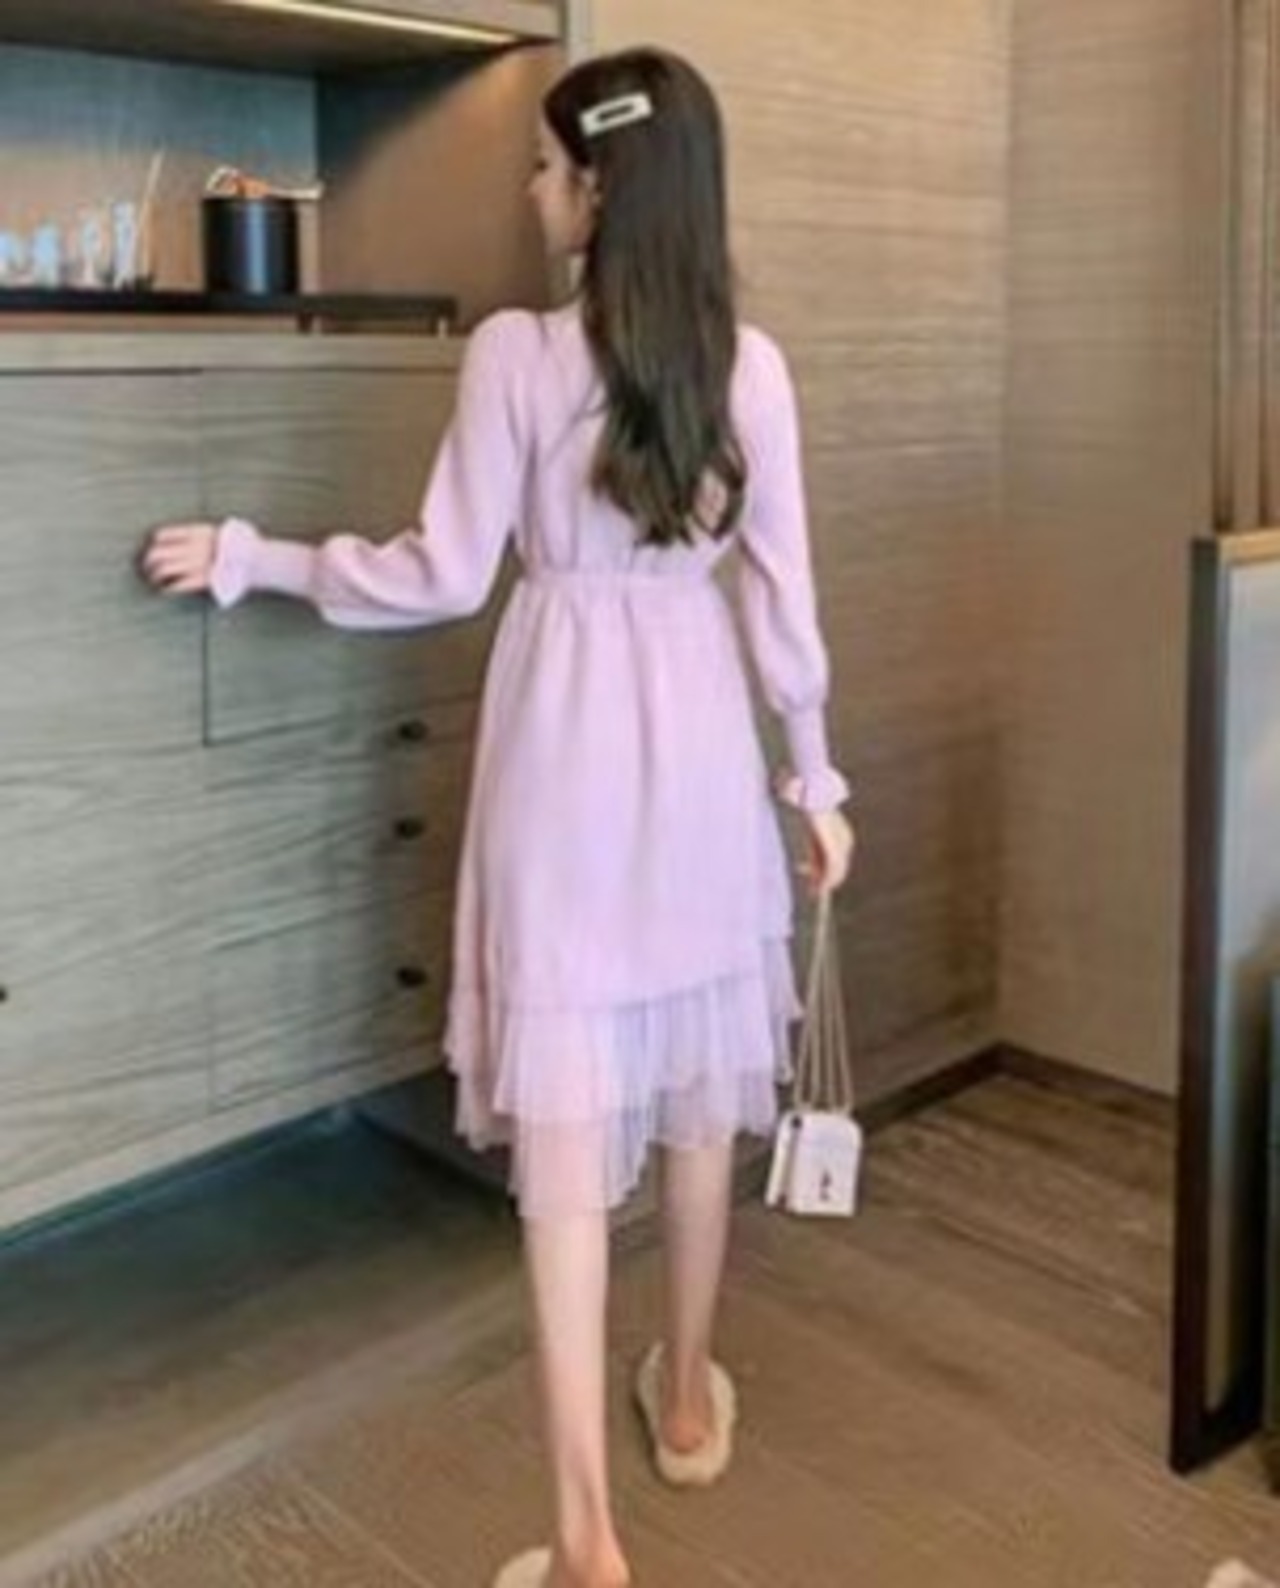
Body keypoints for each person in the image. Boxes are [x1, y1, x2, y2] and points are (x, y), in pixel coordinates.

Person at [140, 46, 855, 1588]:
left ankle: (586, 1536)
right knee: (700, 1100)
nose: (531, 192)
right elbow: (782, 599)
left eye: (543, 166)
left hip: (564, 763)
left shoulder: (518, 355)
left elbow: (443, 572)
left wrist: (261, 557)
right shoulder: (752, 368)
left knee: (570, 1140)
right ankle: (684, 1399)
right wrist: (814, 781)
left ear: (599, 187)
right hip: (705, 761)